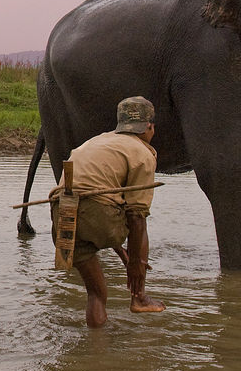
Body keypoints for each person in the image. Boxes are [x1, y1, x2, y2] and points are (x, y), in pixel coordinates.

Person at [50, 95, 165, 327]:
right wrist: (135, 263)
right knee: (139, 219)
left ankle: (96, 347)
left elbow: (88, 199)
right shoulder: (143, 153)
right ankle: (139, 297)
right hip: (97, 215)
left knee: (96, 294)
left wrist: (119, 249)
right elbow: (136, 216)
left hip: (62, 214)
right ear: (149, 126)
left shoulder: (96, 141)